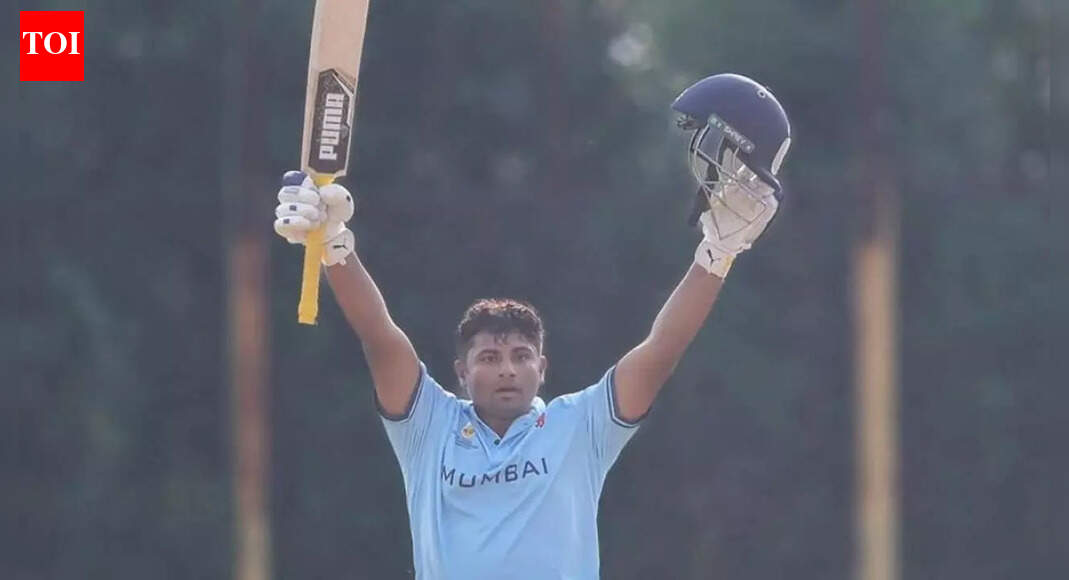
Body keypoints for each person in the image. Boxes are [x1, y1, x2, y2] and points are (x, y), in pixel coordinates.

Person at [273, 73, 792, 579]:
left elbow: (661, 350)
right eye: (489, 358)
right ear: (461, 371)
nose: (507, 369)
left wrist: (717, 255)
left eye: (521, 356)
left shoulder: (578, 427)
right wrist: (336, 247)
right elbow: (380, 337)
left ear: (542, 368)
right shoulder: (428, 428)